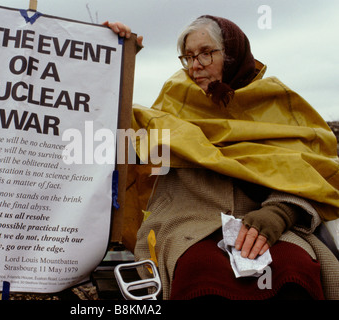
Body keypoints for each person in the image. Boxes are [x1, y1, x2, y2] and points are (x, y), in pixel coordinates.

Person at [104, 16, 339, 300]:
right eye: (188, 56)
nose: (195, 65)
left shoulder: (275, 102)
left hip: (266, 223)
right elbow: (118, 129)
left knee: (294, 267)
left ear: (232, 54)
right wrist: (116, 61)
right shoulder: (173, 101)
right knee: (201, 271)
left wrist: (280, 213)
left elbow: (313, 172)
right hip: (187, 224)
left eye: (206, 53)